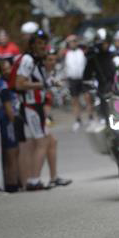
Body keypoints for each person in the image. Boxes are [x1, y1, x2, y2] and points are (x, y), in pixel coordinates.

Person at [15, 29, 51, 190]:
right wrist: (42, 85)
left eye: (44, 43)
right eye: (39, 43)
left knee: (31, 144)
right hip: (30, 106)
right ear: (32, 45)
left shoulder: (36, 60)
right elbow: (19, 83)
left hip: (34, 105)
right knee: (41, 142)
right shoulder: (28, 60)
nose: (42, 46)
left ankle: (30, 180)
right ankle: (34, 180)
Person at [42, 50, 73, 187]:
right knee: (43, 143)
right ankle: (33, 179)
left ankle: (53, 177)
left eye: (54, 59)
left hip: (44, 111)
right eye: (49, 59)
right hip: (35, 112)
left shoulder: (52, 75)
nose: (52, 62)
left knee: (52, 142)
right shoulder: (40, 74)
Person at [0, 59, 20, 192]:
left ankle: (15, 180)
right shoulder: (3, 85)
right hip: (7, 121)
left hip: (8, 121)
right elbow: (8, 107)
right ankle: (12, 183)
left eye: (8, 68)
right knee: (11, 152)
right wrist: (13, 121)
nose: (7, 71)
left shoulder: (8, 83)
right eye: (3, 69)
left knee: (13, 152)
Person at [83, 28, 116, 120]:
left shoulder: (114, 55)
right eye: (103, 43)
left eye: (107, 43)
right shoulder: (93, 58)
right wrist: (91, 86)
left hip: (117, 87)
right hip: (103, 88)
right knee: (105, 110)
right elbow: (87, 76)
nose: (105, 45)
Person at [64, 35, 87, 131]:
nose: (73, 43)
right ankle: (78, 120)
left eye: (74, 41)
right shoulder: (66, 53)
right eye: (70, 42)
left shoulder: (81, 52)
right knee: (75, 100)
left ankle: (90, 118)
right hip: (72, 79)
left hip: (83, 78)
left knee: (88, 97)